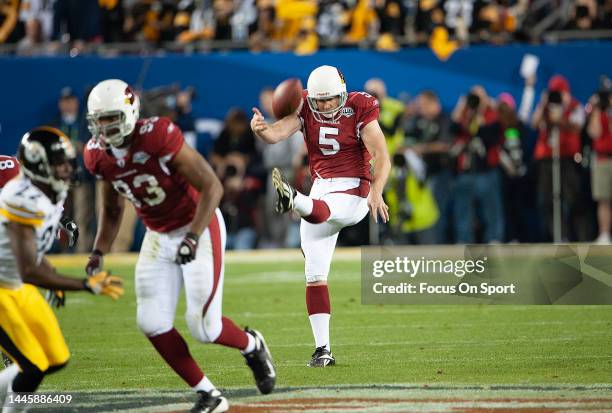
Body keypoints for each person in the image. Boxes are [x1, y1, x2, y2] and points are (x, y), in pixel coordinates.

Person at [83, 79, 275, 413]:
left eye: (110, 118)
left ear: (128, 113)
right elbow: (112, 209)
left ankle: (252, 344)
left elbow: (212, 186)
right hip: (159, 235)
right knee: (151, 321)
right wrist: (99, 250)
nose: (105, 127)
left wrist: (193, 235)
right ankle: (209, 395)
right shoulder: (97, 156)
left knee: (204, 327)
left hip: (198, 224)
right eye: (99, 120)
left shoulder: (157, 135)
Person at [250, 65, 391, 367]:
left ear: (342, 92)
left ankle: (293, 199)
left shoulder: (360, 106)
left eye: (330, 100)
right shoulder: (304, 105)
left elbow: (381, 153)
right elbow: (276, 134)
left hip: (355, 188)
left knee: (324, 213)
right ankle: (322, 349)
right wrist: (261, 129)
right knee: (314, 275)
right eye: (319, 101)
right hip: (320, 189)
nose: (325, 106)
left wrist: (377, 189)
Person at [0, 127, 124, 411]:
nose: (66, 168)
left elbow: (33, 254)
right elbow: (28, 268)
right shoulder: (19, 198)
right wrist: (82, 284)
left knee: (55, 358)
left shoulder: (49, 192)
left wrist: (53, 276)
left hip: (13, 283)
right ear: (39, 164)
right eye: (59, 162)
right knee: (31, 366)